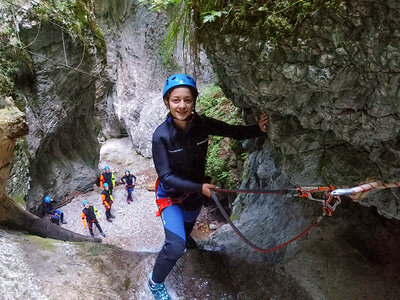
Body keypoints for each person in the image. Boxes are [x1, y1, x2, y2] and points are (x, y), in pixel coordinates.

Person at [148, 74, 268, 299]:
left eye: (187, 100)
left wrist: (258, 129)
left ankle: (186, 237)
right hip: (172, 195)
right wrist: (200, 187)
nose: (182, 105)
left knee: (186, 229)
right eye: (176, 100)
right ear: (167, 102)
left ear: (193, 101)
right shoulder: (161, 136)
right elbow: (165, 177)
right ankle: (155, 282)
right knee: (175, 246)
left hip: (195, 195)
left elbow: (232, 131)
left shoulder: (202, 125)